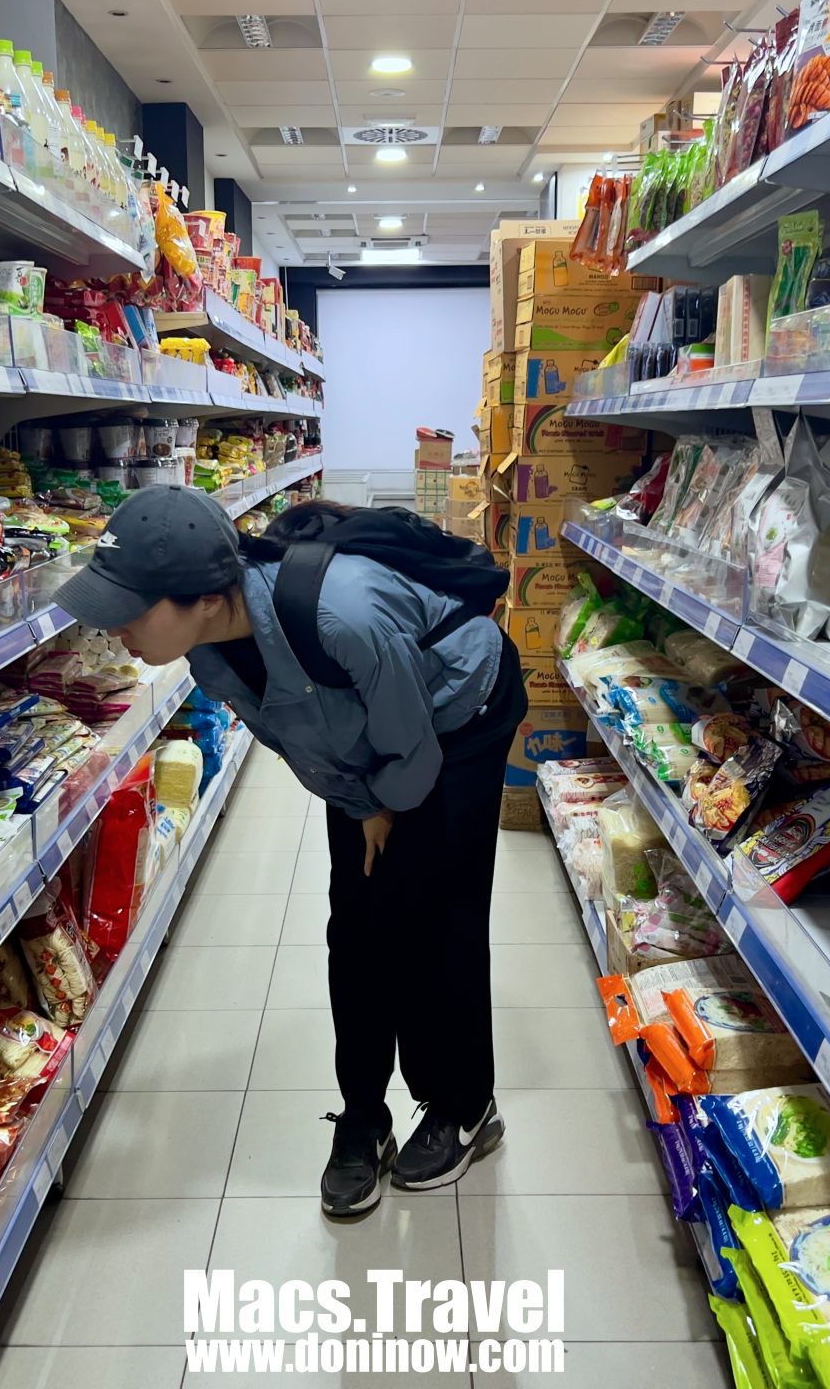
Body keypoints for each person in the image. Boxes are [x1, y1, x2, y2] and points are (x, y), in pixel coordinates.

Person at [53, 483, 527, 1216]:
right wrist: (362, 805)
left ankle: (465, 1104)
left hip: (460, 713)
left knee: (440, 914)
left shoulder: (342, 614)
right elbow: (306, 741)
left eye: (130, 610)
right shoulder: (212, 651)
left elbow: (411, 750)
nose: (116, 632)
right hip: (367, 744)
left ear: (205, 599)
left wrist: (383, 805)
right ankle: (364, 1115)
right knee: (358, 925)